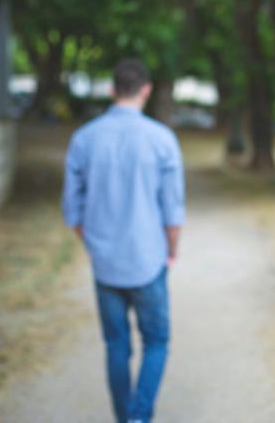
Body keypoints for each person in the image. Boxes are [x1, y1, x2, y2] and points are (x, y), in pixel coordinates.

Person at [62, 59, 185, 423]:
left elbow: (72, 208)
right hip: (150, 260)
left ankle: (124, 417)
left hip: (105, 264)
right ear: (145, 89)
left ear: (112, 90)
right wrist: (172, 251)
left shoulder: (84, 138)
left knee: (116, 345)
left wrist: (94, 244)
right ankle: (139, 416)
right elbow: (173, 212)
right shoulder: (162, 139)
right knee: (157, 341)